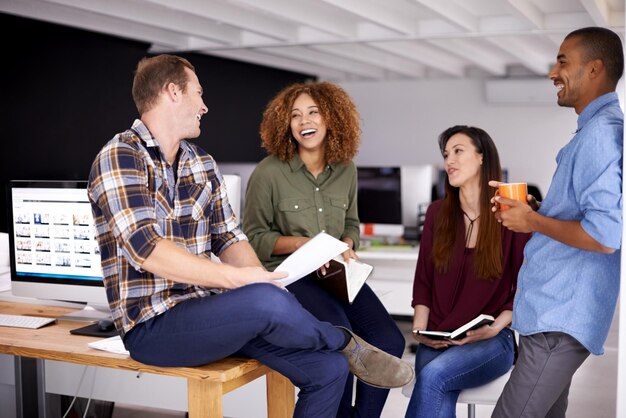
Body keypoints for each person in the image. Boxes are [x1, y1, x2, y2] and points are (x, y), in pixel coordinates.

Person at [87, 54, 414, 418]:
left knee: (328, 369)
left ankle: (340, 351)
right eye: (198, 93)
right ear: (172, 92)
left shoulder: (201, 163)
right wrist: (245, 282)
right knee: (265, 301)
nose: (205, 106)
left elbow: (229, 238)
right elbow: (147, 250)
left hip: (209, 311)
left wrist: (267, 281)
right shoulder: (120, 155)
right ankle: (344, 341)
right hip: (154, 325)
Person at [243, 81, 407, 418]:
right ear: (285, 125)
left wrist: (347, 244)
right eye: (295, 115)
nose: (305, 121)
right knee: (342, 344)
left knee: (391, 342)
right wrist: (306, 245)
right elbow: (255, 237)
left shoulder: (346, 169)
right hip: (294, 277)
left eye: (313, 112)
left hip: (334, 273)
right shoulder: (268, 173)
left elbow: (351, 223)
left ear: (331, 117)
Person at [491, 27, 623, 418]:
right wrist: (538, 210)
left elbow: (605, 235)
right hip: (552, 315)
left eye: (563, 61)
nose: (553, 71)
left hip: (559, 319)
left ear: (594, 69)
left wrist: (531, 220)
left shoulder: (600, 135)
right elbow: (584, 216)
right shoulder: (593, 132)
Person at [405, 126, 531, 418]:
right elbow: (423, 279)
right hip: (437, 338)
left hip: (491, 340)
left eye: (458, 151)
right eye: (446, 154)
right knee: (436, 385)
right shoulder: (437, 213)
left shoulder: (511, 213)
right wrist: (420, 332)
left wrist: (497, 327)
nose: (449, 160)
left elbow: (524, 282)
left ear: (482, 157)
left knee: (434, 377)